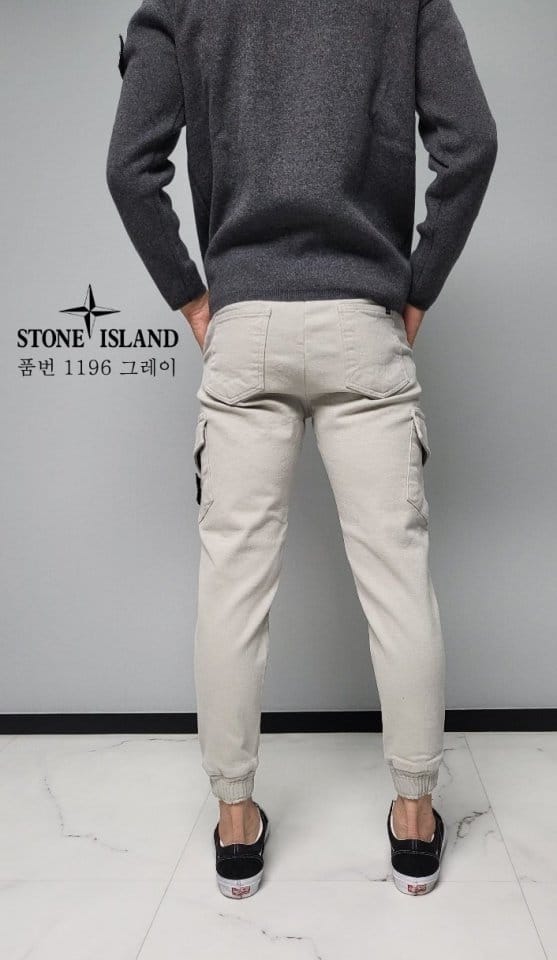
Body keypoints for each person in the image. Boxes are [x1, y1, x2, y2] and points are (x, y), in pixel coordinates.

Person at [106, 0, 497, 899]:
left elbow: (129, 167)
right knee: (396, 576)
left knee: (231, 582)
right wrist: (416, 288)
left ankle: (235, 827)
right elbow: (470, 144)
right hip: (363, 316)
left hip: (244, 320)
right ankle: (414, 823)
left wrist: (192, 296)